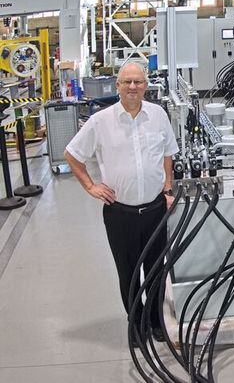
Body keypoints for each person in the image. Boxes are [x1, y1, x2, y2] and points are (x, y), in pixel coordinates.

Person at [64, 63, 178, 342]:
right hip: (120, 213)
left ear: (145, 86)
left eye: (138, 82)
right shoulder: (100, 121)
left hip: (154, 209)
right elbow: (72, 154)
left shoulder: (158, 115)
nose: (132, 87)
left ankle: (155, 321)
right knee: (127, 272)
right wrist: (91, 186)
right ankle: (136, 324)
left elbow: (168, 153)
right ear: (117, 86)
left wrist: (167, 187)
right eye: (126, 82)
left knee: (156, 269)